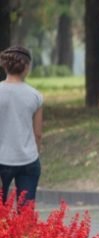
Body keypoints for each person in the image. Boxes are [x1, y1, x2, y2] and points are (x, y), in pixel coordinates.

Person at [0, 46, 43, 205]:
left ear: (5, 66)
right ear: (27, 67)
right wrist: (35, 151)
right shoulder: (35, 95)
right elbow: (37, 133)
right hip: (27, 159)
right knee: (25, 213)